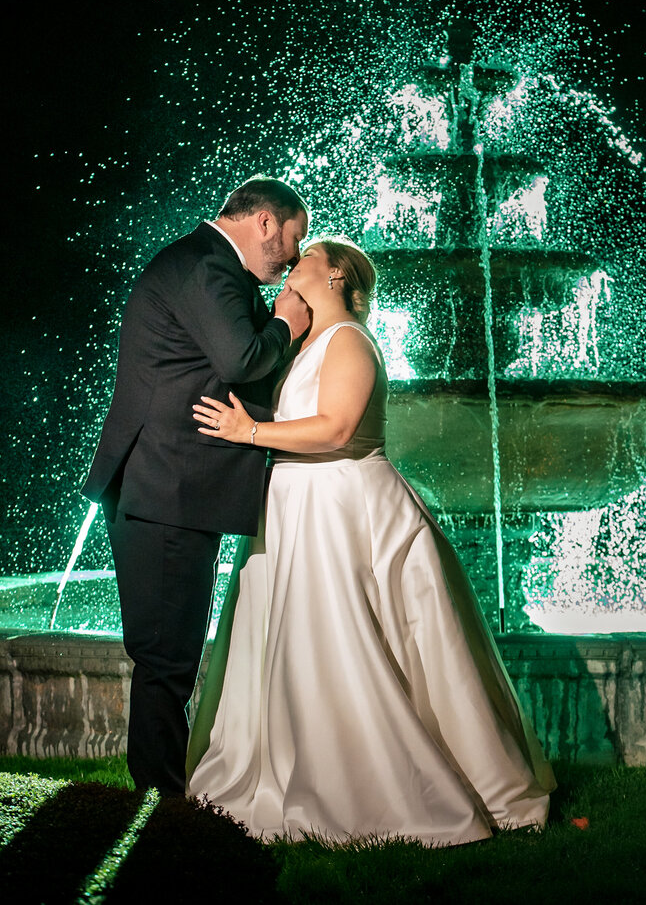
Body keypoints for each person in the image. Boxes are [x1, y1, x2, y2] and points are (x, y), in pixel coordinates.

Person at [186, 236, 555, 845]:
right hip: (296, 506)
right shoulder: (302, 348)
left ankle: (382, 784)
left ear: (334, 276)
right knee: (296, 640)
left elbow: (336, 427)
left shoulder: (349, 341)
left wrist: (249, 431)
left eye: (305, 256)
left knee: (352, 636)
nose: (289, 262)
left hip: (342, 507)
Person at [82, 176, 311, 794]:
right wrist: (287, 322)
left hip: (171, 488)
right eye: (295, 237)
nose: (293, 256)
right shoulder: (207, 266)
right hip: (166, 490)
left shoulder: (205, 264)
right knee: (166, 656)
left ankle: (161, 793)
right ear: (265, 221)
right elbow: (241, 359)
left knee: (170, 651)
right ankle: (159, 799)